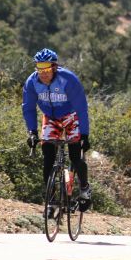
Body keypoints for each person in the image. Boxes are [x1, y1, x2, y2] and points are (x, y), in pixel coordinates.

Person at [22, 48, 91, 216]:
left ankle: (84, 189)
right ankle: (51, 202)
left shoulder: (68, 80)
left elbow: (82, 108)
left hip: (71, 117)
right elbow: (28, 108)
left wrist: (84, 135)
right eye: (39, 68)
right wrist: (32, 132)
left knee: (75, 156)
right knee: (47, 156)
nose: (43, 73)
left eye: (46, 69)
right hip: (51, 118)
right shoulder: (32, 82)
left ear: (54, 67)